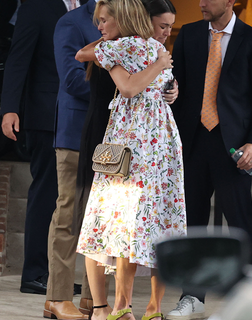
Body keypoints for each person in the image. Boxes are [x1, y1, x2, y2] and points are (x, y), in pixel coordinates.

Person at [75, 0, 186, 319]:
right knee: (153, 219)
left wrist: (170, 84)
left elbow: (86, 56)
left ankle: (123, 307)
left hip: (136, 141)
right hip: (151, 139)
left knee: (126, 222)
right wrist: (160, 66)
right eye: (162, 25)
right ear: (144, 19)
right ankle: (138, 307)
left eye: (104, 20)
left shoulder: (131, 48)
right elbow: (93, 60)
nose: (167, 32)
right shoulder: (147, 50)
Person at [167, 0, 252, 318]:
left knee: (240, 224)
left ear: (231, 1)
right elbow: (178, 87)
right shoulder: (187, 34)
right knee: (192, 223)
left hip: (234, 148)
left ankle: (248, 300)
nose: (201, 3)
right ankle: (192, 297)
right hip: (192, 142)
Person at [0, 0, 85, 295]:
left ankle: (56, 276)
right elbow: (18, 57)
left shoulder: (94, 8)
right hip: (45, 114)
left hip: (80, 116)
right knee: (47, 192)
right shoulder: (36, 7)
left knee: (70, 200)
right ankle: (34, 273)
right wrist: (9, 108)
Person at [42, 0, 100, 319]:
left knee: (102, 217)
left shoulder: (128, 21)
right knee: (69, 214)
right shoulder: (72, 22)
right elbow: (73, 80)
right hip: (76, 133)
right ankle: (58, 296)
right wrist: (124, 88)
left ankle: (94, 299)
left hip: (112, 135)